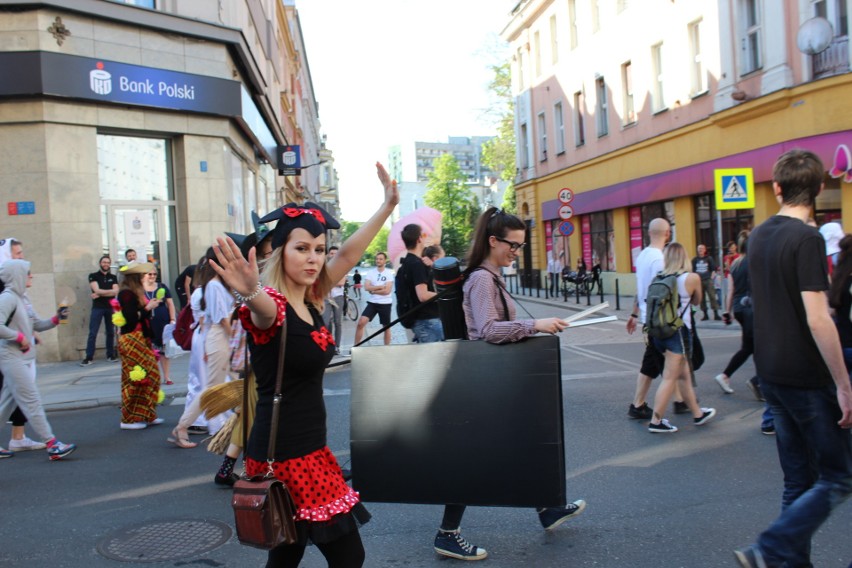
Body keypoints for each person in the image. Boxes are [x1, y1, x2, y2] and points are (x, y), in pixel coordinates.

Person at [209, 162, 397, 568]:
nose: (313, 259)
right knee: (348, 555)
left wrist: (386, 206)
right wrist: (249, 290)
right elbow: (260, 307)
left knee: (286, 551)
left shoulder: (312, 296)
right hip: (290, 455)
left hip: (306, 447)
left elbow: (348, 253)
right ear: (279, 251)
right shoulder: (272, 305)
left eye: (317, 250)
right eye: (301, 248)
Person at [432, 207, 586, 562]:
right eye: (513, 245)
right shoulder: (483, 280)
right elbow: (488, 331)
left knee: (523, 446)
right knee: (471, 460)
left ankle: (547, 509)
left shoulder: (491, 276)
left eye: (520, 246)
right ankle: (447, 533)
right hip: (483, 384)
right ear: (493, 241)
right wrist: (536, 325)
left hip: (490, 381)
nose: (516, 252)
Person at [735, 149, 852, 568]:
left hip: (771, 373)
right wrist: (843, 383)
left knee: (798, 480)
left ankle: (786, 562)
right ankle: (772, 547)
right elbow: (819, 318)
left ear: (777, 188)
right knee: (839, 475)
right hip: (805, 376)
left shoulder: (761, 233)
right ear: (820, 189)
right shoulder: (807, 239)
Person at [0, 260, 76, 460]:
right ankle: (52, 444)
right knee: (31, 400)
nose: (31, 275)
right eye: (28, 272)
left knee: (5, 404)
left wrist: (55, 319)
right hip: (11, 356)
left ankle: (52, 445)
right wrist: (19, 337)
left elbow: (37, 324)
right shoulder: (8, 298)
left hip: (19, 357)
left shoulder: (22, 298)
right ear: (18, 276)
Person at [647, 243, 717, 433]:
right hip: (679, 332)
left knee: (684, 375)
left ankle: (697, 413)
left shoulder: (659, 277)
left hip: (660, 333)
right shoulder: (691, 278)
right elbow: (697, 301)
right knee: (670, 378)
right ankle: (656, 421)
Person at [170, 252, 234, 448]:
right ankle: (183, 427)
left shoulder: (220, 285)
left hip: (220, 336)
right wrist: (236, 338)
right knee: (212, 388)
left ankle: (232, 427)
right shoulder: (214, 285)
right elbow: (222, 318)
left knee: (232, 383)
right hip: (219, 336)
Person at [0, 238, 41, 452]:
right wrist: (21, 336)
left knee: (14, 395)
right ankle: (51, 441)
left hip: (14, 348)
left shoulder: (13, 282)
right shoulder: (5, 286)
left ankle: (18, 437)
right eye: (17, 254)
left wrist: (31, 331)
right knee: (20, 394)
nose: (21, 257)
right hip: (7, 349)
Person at [626, 218, 669, 420]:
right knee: (668, 361)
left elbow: (640, 287)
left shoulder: (642, 255)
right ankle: (640, 405)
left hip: (646, 316)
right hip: (657, 318)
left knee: (658, 361)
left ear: (649, 232)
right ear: (667, 234)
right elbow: (658, 291)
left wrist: (635, 313)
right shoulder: (659, 259)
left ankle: (640, 404)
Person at [115, 261, 164, 430]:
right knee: (137, 378)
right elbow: (130, 317)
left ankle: (147, 413)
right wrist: (148, 307)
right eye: (143, 274)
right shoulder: (126, 294)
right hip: (131, 339)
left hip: (141, 338)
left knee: (152, 375)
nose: (146, 277)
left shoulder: (135, 292)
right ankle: (129, 418)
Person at [400, 223, 443, 343]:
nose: (425, 237)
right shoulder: (416, 264)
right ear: (419, 239)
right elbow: (423, 295)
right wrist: (443, 294)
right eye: (423, 234)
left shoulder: (406, 263)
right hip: (427, 320)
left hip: (420, 320)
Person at [81, 255, 119, 366]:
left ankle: (110, 355)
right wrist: (108, 291)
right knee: (93, 332)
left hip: (110, 307)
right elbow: (96, 289)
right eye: (104, 262)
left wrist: (99, 293)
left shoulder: (113, 277)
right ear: (100, 263)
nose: (106, 264)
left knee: (110, 332)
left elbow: (116, 291)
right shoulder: (93, 276)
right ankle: (89, 357)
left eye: (108, 262)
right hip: (98, 307)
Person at [143, 267, 176, 385]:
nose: (152, 276)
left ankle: (167, 376)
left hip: (162, 321)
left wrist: (172, 319)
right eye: (149, 274)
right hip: (147, 323)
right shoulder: (140, 289)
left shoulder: (162, 286)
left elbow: (170, 304)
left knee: (164, 350)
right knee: (149, 350)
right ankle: (151, 376)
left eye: (154, 274)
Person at [353, 252, 394, 346]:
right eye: (377, 259)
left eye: (380, 259)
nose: (378, 260)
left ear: (385, 261)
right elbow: (366, 287)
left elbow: (387, 291)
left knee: (386, 327)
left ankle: (386, 348)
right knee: (361, 323)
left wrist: (374, 290)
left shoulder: (388, 273)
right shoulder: (371, 272)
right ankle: (355, 346)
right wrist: (380, 286)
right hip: (373, 303)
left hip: (385, 303)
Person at [324, 246, 345, 354]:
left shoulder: (342, 267)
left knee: (337, 322)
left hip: (338, 297)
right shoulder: (324, 267)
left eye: (335, 253)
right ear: (328, 254)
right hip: (326, 297)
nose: (333, 255)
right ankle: (328, 344)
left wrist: (328, 282)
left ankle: (337, 346)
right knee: (326, 322)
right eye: (331, 253)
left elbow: (341, 282)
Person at [691, 244, 721, 321]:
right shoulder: (694, 260)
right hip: (699, 281)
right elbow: (692, 270)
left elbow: (713, 269)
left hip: (708, 280)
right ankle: (705, 314)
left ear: (705, 250)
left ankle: (716, 314)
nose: (700, 250)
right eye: (699, 248)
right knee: (701, 298)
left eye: (702, 248)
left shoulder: (709, 258)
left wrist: (711, 278)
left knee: (712, 296)